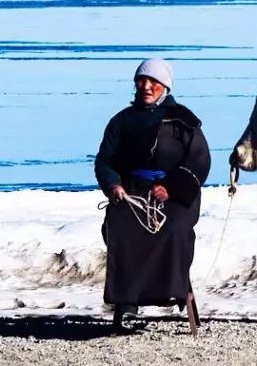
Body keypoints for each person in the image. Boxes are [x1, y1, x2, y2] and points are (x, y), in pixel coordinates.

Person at [94, 57, 211, 333]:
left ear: (165, 86)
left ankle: (171, 291)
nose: (146, 86)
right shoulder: (121, 121)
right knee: (121, 225)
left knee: (173, 227)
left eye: (153, 81)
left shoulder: (184, 120)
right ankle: (127, 304)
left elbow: (199, 162)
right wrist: (114, 185)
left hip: (175, 196)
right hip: (133, 193)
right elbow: (105, 161)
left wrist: (171, 187)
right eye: (142, 80)